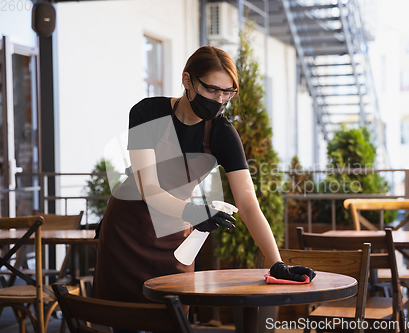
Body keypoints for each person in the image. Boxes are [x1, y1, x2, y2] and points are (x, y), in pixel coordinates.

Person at [92, 45, 314, 332]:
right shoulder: (147, 112)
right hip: (126, 231)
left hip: (174, 240)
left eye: (228, 93)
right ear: (188, 81)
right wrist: (194, 211)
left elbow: (248, 204)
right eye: (211, 90)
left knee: (172, 320)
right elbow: (149, 188)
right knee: (124, 320)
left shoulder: (222, 133)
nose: (219, 100)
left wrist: (277, 263)